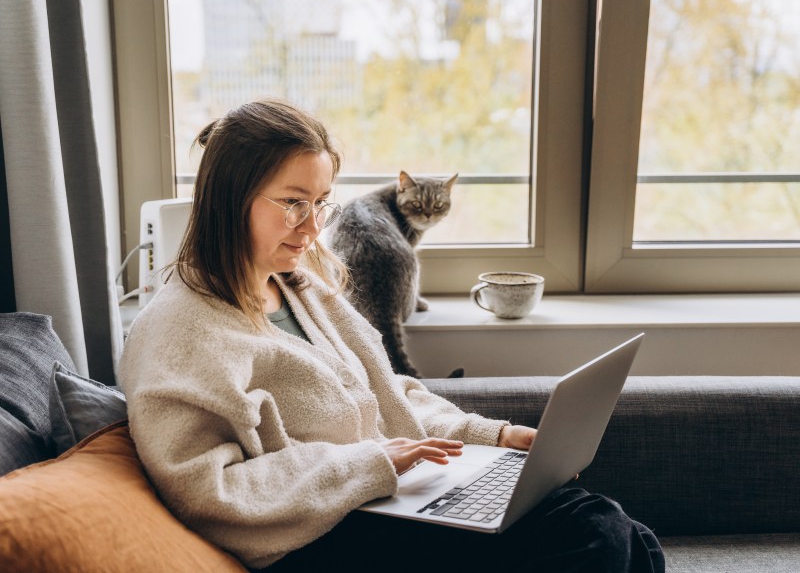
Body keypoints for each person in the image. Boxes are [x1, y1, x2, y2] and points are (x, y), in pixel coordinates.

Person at [119, 98, 664, 572]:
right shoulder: (179, 332)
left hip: (386, 503)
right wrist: (370, 464)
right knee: (596, 534)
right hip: (314, 541)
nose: (312, 229)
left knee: (619, 536)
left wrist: (487, 435)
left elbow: (385, 392)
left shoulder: (302, 289)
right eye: (292, 203)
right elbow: (204, 490)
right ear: (228, 198)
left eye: (320, 202)